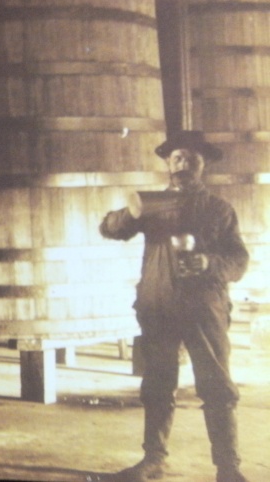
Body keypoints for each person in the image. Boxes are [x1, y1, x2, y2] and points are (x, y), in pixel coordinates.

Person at [100, 131, 250, 482]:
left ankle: (228, 469)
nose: (184, 163)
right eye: (178, 157)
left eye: (192, 158)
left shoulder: (219, 209)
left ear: (203, 165)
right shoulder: (152, 204)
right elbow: (109, 228)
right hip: (159, 305)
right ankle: (153, 460)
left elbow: (239, 260)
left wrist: (209, 263)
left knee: (216, 387)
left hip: (204, 308)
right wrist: (130, 213)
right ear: (168, 164)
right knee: (157, 384)